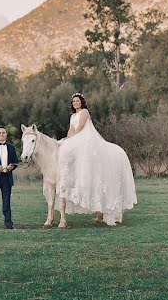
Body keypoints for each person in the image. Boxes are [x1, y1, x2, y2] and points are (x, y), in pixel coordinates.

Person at [56, 92, 137, 227]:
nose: (75, 103)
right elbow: (71, 128)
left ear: (81, 102)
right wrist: (68, 139)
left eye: (77, 101)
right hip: (76, 138)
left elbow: (81, 127)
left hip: (86, 138)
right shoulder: (72, 116)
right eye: (73, 101)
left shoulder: (85, 112)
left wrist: (73, 138)